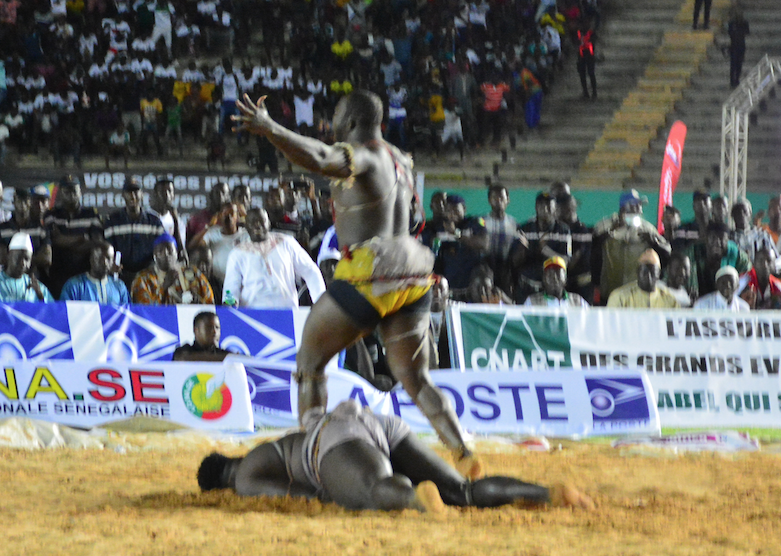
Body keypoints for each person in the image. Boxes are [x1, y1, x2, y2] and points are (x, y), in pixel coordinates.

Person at [232, 89, 480, 475]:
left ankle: (313, 457)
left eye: (335, 119)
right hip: (413, 274)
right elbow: (411, 217)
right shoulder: (401, 160)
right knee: (417, 380)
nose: (330, 127)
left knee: (310, 365)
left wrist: (268, 128)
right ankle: (464, 452)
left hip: (372, 272)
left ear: (349, 122)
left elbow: (318, 157)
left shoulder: (366, 154)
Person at [197, 400, 591, 513]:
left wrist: (343, 491)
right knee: (463, 493)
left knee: (376, 490)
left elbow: (304, 496)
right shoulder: (271, 447)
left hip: (331, 443)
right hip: (375, 423)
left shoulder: (245, 474)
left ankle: (412, 497)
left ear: (221, 481)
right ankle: (548, 494)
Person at [221, 208, 326, 308]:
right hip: (252, 315)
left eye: (262, 221)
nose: (257, 225)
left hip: (287, 313)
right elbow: (230, 286)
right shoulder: (237, 253)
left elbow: (310, 270)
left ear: (268, 223)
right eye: (252, 222)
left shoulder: (286, 243)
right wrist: (230, 305)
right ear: (246, 226)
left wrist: (320, 301)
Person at [593, 190, 670, 304]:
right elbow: (594, 249)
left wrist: (654, 241)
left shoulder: (647, 228)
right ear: (624, 208)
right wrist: (611, 230)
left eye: (640, 206)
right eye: (636, 206)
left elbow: (667, 250)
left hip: (636, 294)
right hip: (609, 291)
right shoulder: (604, 225)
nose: (640, 210)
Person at [45, 175, 103, 298]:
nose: (71, 194)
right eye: (67, 191)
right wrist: (82, 238)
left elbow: (96, 243)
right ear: (61, 193)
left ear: (80, 192)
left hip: (85, 275)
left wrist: (64, 241)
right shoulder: (51, 215)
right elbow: (55, 240)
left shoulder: (91, 214)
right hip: (58, 275)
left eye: (74, 190)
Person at [104, 179, 165, 286]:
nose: (133, 195)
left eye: (136, 191)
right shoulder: (113, 221)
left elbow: (161, 247)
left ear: (142, 194)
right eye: (129, 192)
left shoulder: (154, 221)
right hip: (120, 277)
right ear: (123, 195)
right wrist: (111, 264)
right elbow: (107, 248)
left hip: (148, 277)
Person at [131, 233, 216, 305]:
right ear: (154, 255)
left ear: (177, 253)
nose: (166, 254)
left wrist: (198, 302)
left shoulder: (193, 273)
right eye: (160, 251)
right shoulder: (143, 280)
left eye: (170, 250)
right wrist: (164, 288)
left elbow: (210, 303)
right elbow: (144, 312)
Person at [689, 222, 751, 299]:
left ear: (728, 240)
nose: (717, 242)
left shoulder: (737, 255)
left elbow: (748, 275)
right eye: (713, 238)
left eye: (722, 238)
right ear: (706, 239)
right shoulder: (694, 252)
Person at [0, 233, 49, 301]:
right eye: (18, 257)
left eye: (27, 259)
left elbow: (52, 310)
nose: (23, 263)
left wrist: (40, 295)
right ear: (8, 255)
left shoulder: (37, 287)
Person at [59, 241, 130, 304]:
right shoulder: (74, 286)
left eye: (108, 259)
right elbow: (64, 313)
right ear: (91, 260)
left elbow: (127, 315)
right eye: (99, 258)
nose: (105, 263)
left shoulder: (119, 287)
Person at [606, 250, 679, 308]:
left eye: (653, 272)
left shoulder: (670, 300)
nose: (648, 276)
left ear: (659, 274)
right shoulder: (619, 297)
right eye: (644, 272)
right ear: (637, 272)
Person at [524, 256, 588, 307]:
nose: (554, 278)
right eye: (550, 274)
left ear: (565, 279)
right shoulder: (531, 302)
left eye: (558, 273)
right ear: (543, 279)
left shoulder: (578, 302)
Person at [727, 5, 750, 86]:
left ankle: (736, 79)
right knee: (733, 64)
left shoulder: (744, 23)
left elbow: (747, 32)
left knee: (739, 64)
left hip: (741, 45)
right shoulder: (731, 23)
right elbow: (730, 33)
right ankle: (732, 80)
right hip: (734, 45)